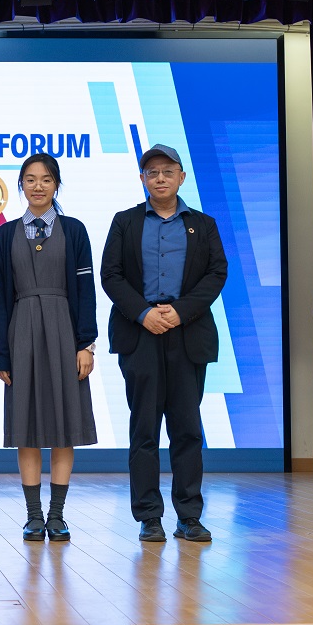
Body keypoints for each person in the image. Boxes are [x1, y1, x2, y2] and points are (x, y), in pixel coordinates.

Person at [100, 144, 228, 543]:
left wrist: (180, 311)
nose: (160, 178)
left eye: (167, 172)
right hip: (139, 334)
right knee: (144, 430)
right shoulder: (125, 222)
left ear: (181, 178)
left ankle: (189, 516)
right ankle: (149, 517)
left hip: (188, 334)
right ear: (142, 179)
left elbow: (216, 273)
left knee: (187, 429)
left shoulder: (203, 224)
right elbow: (111, 275)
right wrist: (144, 313)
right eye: (152, 172)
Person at [0, 153, 98, 541]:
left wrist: (86, 344)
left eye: (46, 179)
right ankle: (34, 515)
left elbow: (86, 291)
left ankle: (57, 515)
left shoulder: (75, 230)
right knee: (27, 427)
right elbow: (0, 298)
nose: (38, 186)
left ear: (56, 185)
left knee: (65, 427)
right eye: (31, 179)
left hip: (65, 332)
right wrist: (0, 353)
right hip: (21, 333)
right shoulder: (5, 235)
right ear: (21, 185)